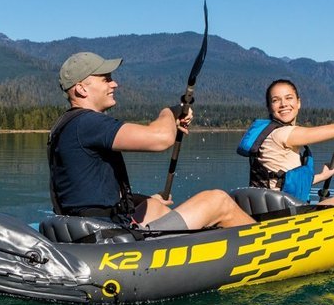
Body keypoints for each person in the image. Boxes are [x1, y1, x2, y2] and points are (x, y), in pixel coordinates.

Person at [49, 52, 254, 230]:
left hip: (91, 229)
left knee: (154, 206)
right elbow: (161, 139)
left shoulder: (68, 125)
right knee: (217, 201)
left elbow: (88, 196)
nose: (115, 83)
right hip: (108, 240)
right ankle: (271, 246)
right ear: (81, 89)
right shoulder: (88, 123)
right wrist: (170, 111)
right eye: (106, 79)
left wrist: (139, 201)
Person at [238, 78, 334, 206]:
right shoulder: (283, 134)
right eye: (276, 100)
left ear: (298, 102)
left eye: (288, 98)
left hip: (278, 208)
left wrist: (322, 176)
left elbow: (282, 183)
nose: (283, 104)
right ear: (269, 108)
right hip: (285, 214)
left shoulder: (271, 133)